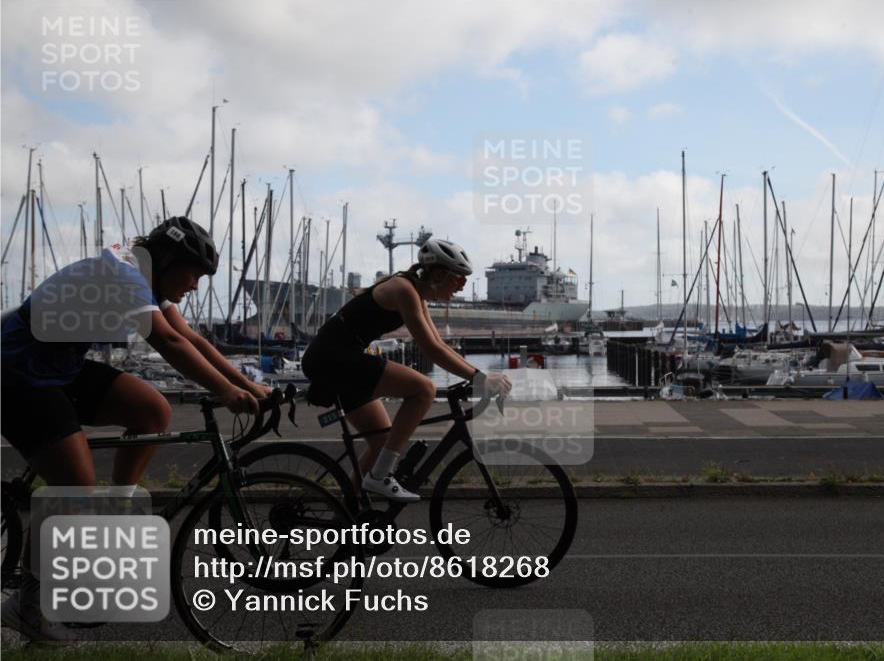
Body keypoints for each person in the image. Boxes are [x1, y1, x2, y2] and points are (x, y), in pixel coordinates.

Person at [0, 216, 269, 642]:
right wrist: (226, 392)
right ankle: (27, 606)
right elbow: (170, 344)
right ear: (166, 260)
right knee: (74, 491)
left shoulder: (147, 279)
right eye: (194, 274)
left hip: (58, 367)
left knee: (152, 411)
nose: (196, 285)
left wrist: (248, 384)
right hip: (18, 375)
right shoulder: (125, 275)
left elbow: (193, 339)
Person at [302, 239, 511, 502]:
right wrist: (480, 378)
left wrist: (479, 376)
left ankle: (349, 513)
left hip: (336, 359)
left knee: (382, 441)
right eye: (459, 280)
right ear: (438, 275)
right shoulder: (404, 290)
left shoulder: (415, 293)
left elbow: (438, 344)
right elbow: (431, 351)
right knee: (424, 389)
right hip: (332, 359)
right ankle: (380, 477)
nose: (461, 287)